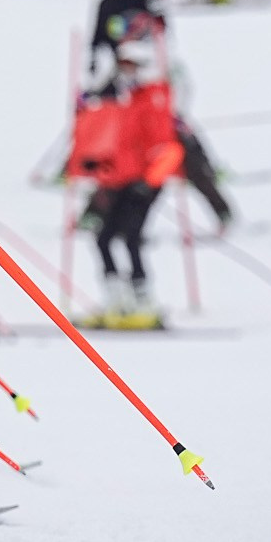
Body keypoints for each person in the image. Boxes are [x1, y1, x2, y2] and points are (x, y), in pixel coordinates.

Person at [69, 23, 180, 330]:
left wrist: (151, 180)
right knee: (103, 238)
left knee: (131, 237)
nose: (126, 71)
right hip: (118, 180)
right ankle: (116, 300)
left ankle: (144, 300)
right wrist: (92, 164)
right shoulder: (117, 98)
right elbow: (105, 139)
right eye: (123, 65)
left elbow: (169, 148)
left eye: (132, 65)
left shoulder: (153, 99)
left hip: (144, 183)